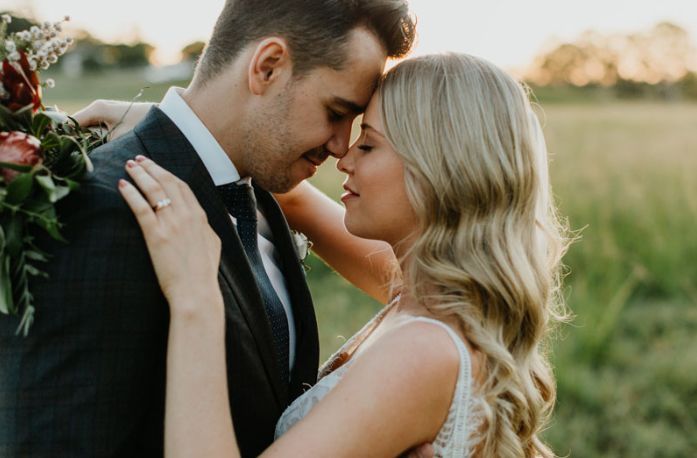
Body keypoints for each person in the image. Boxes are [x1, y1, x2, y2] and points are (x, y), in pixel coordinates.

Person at [0, 1, 416, 456]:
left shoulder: (264, 201)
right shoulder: (102, 208)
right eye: (336, 112)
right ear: (268, 66)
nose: (340, 146)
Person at [113, 53, 570, 456]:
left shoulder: (425, 350)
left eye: (368, 144)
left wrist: (197, 296)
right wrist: (156, 127)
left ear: (439, 172)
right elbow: (289, 195)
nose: (344, 158)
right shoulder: (437, 291)